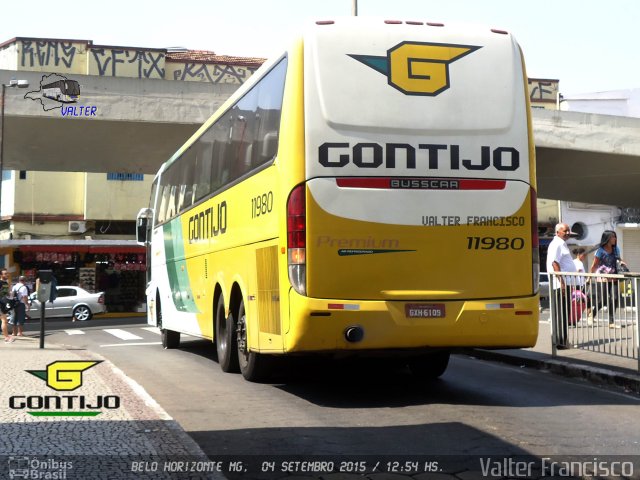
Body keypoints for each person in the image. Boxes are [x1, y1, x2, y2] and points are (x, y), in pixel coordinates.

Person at [546, 223, 578, 348]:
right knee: (562, 313)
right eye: (565, 230)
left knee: (563, 313)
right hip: (561, 285)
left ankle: (561, 341)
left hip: (563, 284)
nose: (568, 232)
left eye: (569, 230)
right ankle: (561, 342)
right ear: (558, 232)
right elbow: (555, 263)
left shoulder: (561, 243)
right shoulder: (557, 244)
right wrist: (562, 283)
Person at [590, 230, 626, 328]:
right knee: (603, 299)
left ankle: (611, 322)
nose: (615, 239)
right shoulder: (600, 250)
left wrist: (622, 263)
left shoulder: (616, 249)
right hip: (602, 277)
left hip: (613, 276)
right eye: (612, 237)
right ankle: (592, 314)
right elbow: (594, 265)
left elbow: (619, 259)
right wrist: (589, 276)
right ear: (607, 239)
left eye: (615, 237)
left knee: (614, 298)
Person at [0, 268, 13, 342]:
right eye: (5, 273)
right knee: (4, 320)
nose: (7, 275)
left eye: (7, 273)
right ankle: (6, 337)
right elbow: (3, 293)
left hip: (2, 303)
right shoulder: (1, 282)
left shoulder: (5, 283)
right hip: (0, 304)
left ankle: (6, 336)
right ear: (1, 275)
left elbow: (6, 293)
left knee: (4, 320)